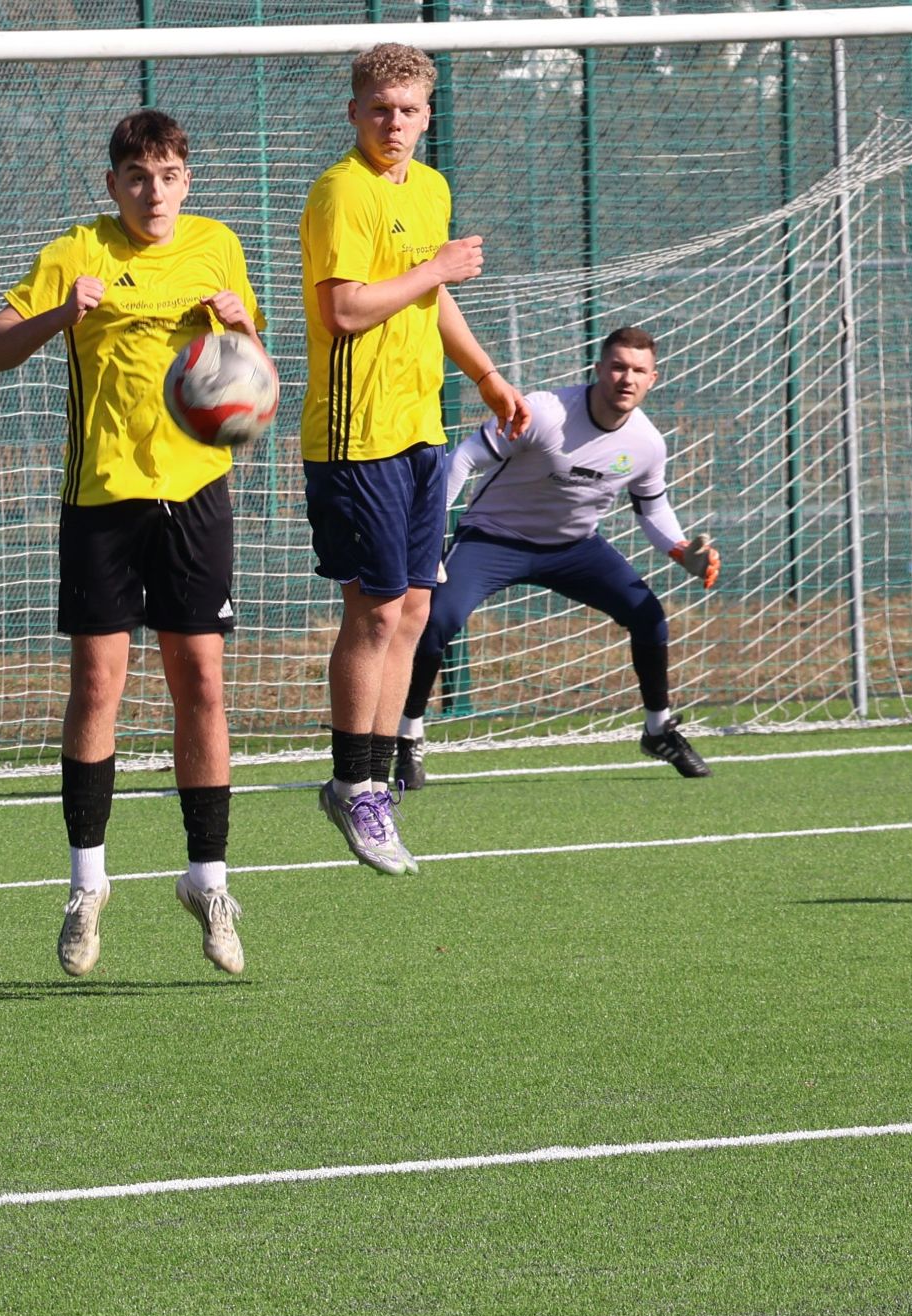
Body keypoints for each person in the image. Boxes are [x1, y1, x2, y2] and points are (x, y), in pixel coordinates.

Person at [0, 109, 263, 977]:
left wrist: (242, 326)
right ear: (113, 185)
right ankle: (86, 885)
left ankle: (208, 882)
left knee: (201, 683)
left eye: (168, 176)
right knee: (98, 684)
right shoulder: (78, 251)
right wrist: (61, 314)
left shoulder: (217, 246)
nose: (154, 192)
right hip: (101, 500)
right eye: (138, 177)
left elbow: (256, 376)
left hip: (195, 496)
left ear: (187, 181)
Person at [300, 41, 532, 875]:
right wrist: (435, 265)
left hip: (420, 431)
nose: (392, 123)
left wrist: (488, 376)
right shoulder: (341, 191)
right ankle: (351, 783)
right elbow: (346, 310)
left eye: (406, 110)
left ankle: (372, 783)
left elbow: (430, 301)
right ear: (353, 112)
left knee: (412, 612)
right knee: (373, 611)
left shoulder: (429, 188)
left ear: (427, 115)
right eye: (378, 109)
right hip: (355, 435)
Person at [395, 326, 721, 789]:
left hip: (575, 548)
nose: (627, 378)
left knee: (649, 616)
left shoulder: (648, 443)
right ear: (599, 369)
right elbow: (463, 457)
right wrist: (428, 541)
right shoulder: (545, 412)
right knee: (437, 620)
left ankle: (658, 730)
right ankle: (408, 736)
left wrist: (680, 550)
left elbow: (652, 509)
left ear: (653, 379)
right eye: (618, 367)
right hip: (493, 540)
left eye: (638, 370)